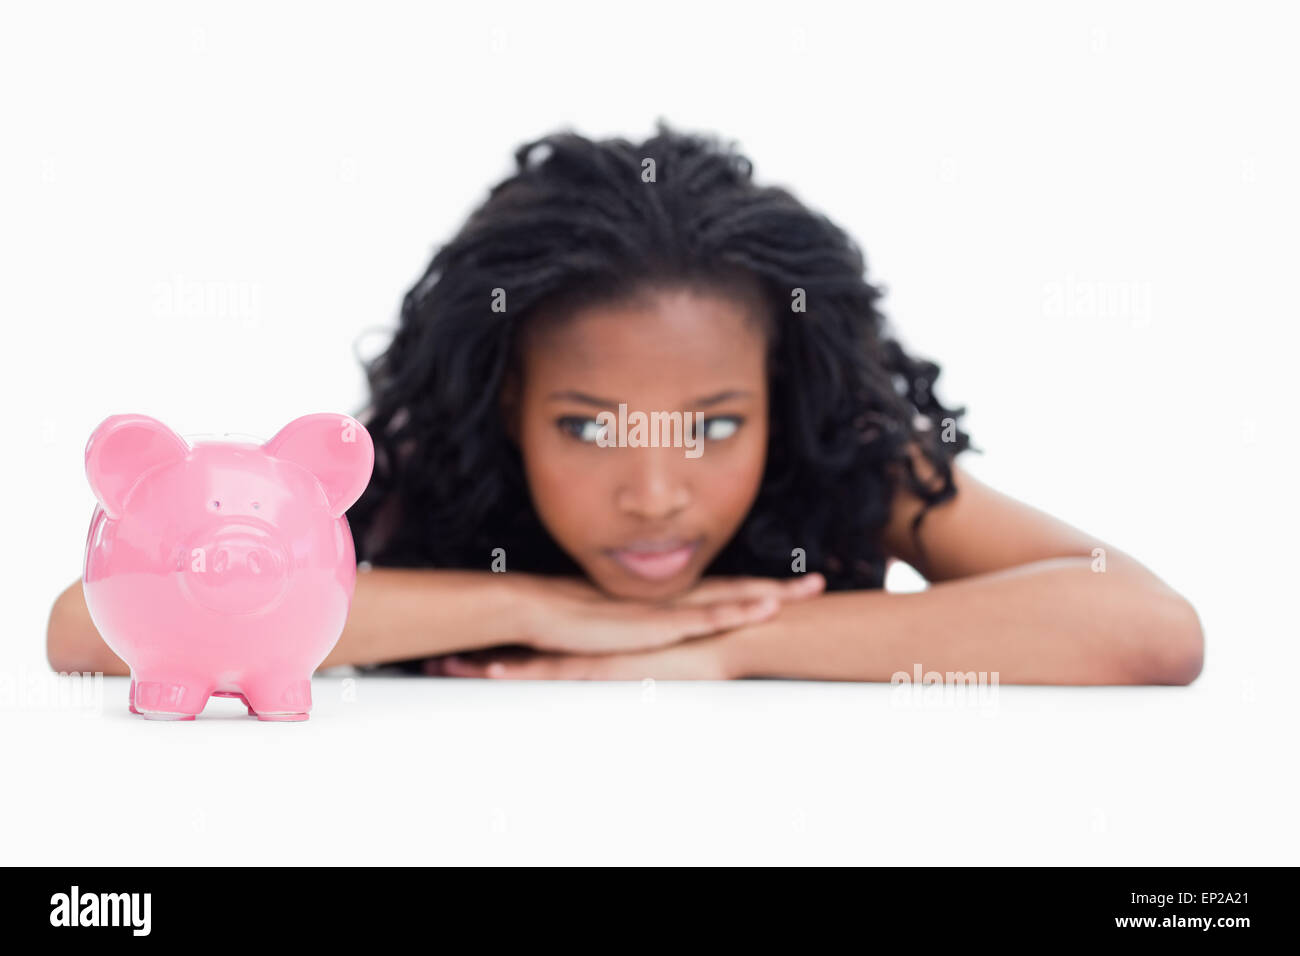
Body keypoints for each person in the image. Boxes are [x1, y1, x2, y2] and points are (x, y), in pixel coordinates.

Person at [46, 122, 1203, 685]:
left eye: (713, 424)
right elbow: (91, 624)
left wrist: (718, 648)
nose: (655, 491)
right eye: (587, 425)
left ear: (780, 398)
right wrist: (548, 608)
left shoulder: (838, 457)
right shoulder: (434, 467)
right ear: (505, 404)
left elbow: (1148, 626)